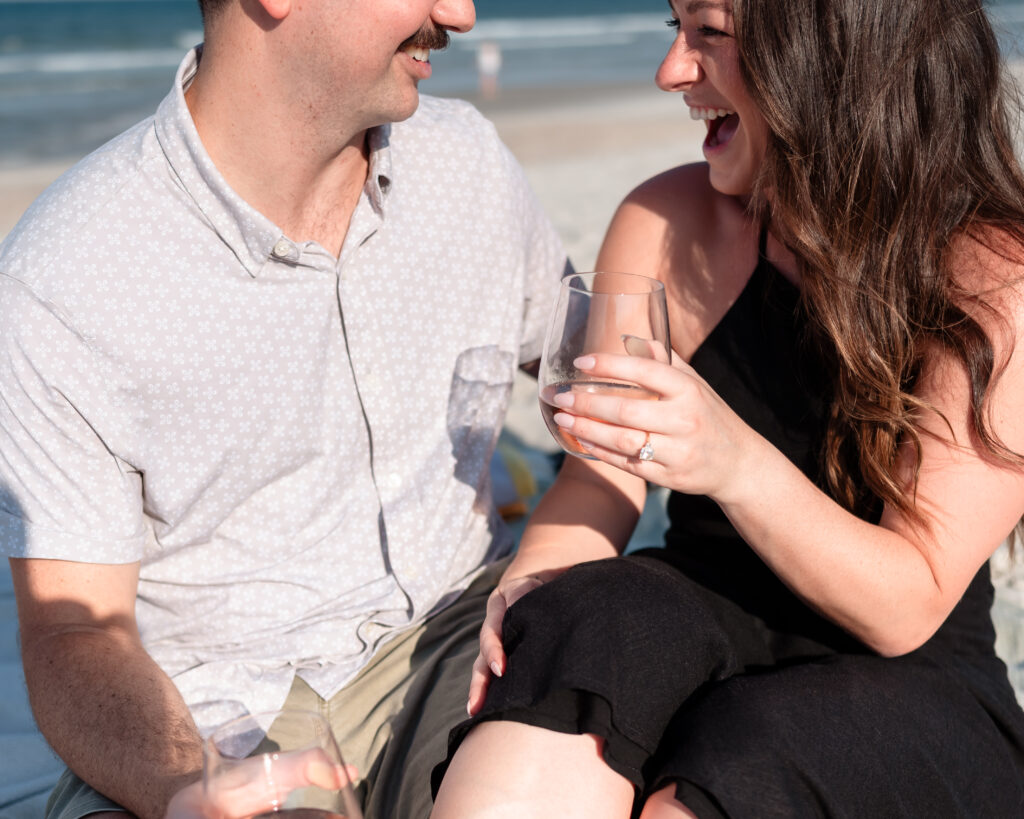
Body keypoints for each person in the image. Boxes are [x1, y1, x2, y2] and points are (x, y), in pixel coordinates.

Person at [430, 0, 1024, 816]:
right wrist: (537, 581)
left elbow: (908, 601)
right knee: (583, 619)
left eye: (708, 33)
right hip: (698, 609)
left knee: (751, 749)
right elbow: (599, 478)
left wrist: (732, 458)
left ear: (833, 50)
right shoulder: (663, 222)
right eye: (673, 29)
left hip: (910, 673)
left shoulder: (992, 278)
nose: (671, 70)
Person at [0, 0, 568, 817]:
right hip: (217, 719)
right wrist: (183, 785)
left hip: (465, 647)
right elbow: (74, 634)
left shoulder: (467, 161)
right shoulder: (63, 282)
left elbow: (595, 378)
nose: (462, 13)